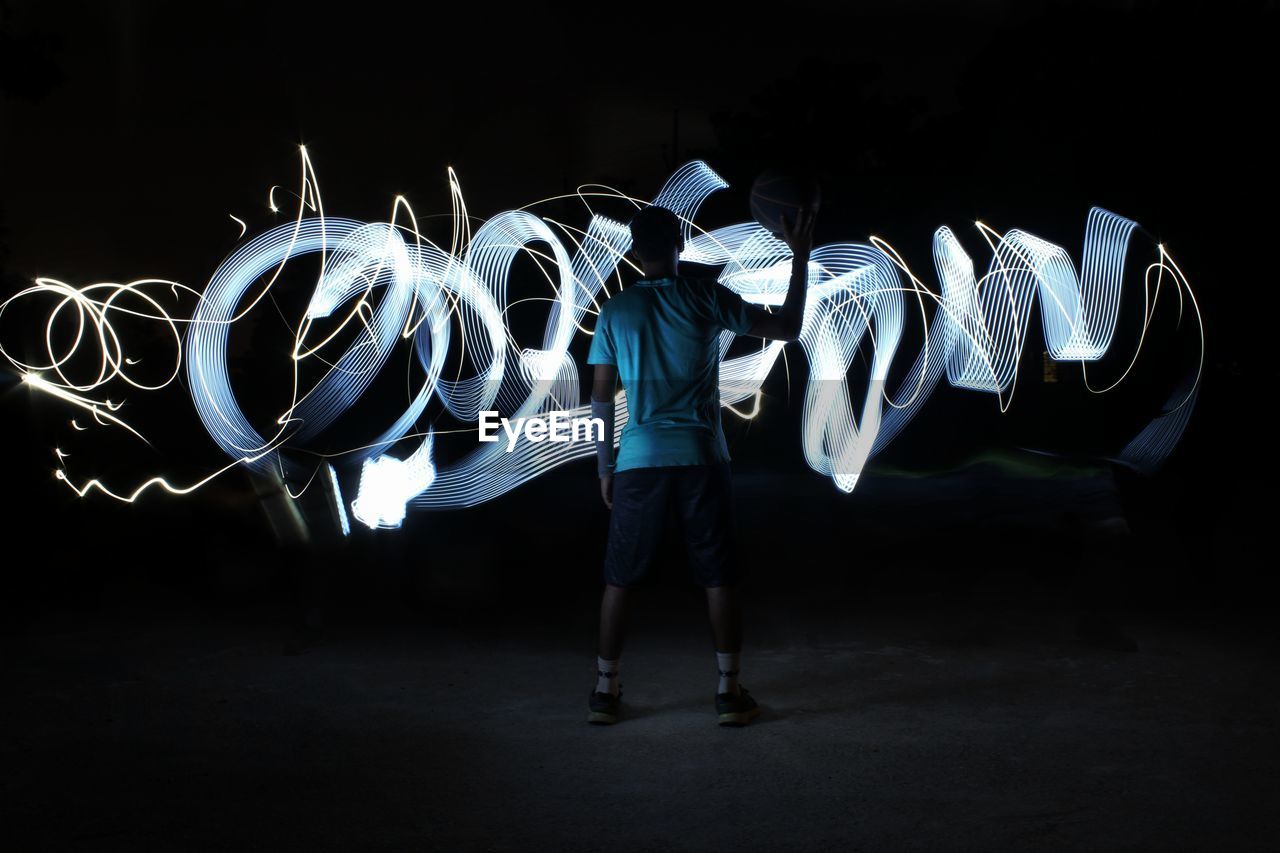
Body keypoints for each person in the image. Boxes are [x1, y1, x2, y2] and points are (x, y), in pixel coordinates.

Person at [586, 203, 815, 725]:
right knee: (718, 577)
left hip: (638, 461)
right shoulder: (706, 296)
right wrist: (799, 256)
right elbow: (788, 327)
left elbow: (601, 399)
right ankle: (728, 694)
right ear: (680, 244)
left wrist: (605, 467)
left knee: (619, 579)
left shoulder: (616, 312)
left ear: (633, 251)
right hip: (700, 458)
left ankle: (605, 691)